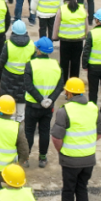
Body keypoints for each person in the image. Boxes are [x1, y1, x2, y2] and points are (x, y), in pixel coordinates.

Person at [51, 77, 101, 201]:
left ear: (69, 93)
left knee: (68, 190)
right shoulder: (93, 108)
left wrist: (62, 150)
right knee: (82, 188)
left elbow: (56, 137)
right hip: (89, 159)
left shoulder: (64, 111)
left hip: (70, 160)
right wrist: (86, 143)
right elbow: (100, 132)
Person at [22, 37, 62, 169]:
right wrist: (50, 99)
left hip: (32, 105)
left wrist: (40, 99)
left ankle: (25, 158)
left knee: (29, 131)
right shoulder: (56, 65)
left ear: (38, 50)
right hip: (48, 106)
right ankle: (43, 158)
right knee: (44, 131)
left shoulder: (31, 64)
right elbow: (60, 86)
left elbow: (28, 86)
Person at [53, 0, 87, 79]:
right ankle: (74, 83)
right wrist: (85, 35)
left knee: (64, 63)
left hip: (65, 41)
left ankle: (63, 82)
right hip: (78, 41)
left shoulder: (62, 9)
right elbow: (86, 25)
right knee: (76, 63)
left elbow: (56, 25)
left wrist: (55, 37)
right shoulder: (82, 8)